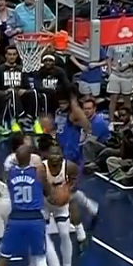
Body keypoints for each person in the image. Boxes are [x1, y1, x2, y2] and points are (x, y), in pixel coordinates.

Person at [22, 146, 78, 266]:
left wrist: (67, 191)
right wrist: (52, 195)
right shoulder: (41, 169)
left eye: (57, 153)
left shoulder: (70, 167)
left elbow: (74, 180)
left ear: (62, 155)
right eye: (51, 153)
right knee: (39, 239)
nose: (54, 156)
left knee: (65, 234)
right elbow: (39, 188)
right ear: (47, 155)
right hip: (44, 204)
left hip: (61, 206)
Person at [51, 91, 99, 248]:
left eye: (65, 102)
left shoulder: (74, 115)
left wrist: (74, 102)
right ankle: (91, 207)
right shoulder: (59, 113)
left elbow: (88, 127)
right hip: (62, 156)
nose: (62, 105)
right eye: (60, 102)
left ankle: (80, 232)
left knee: (67, 194)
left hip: (74, 159)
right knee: (69, 192)